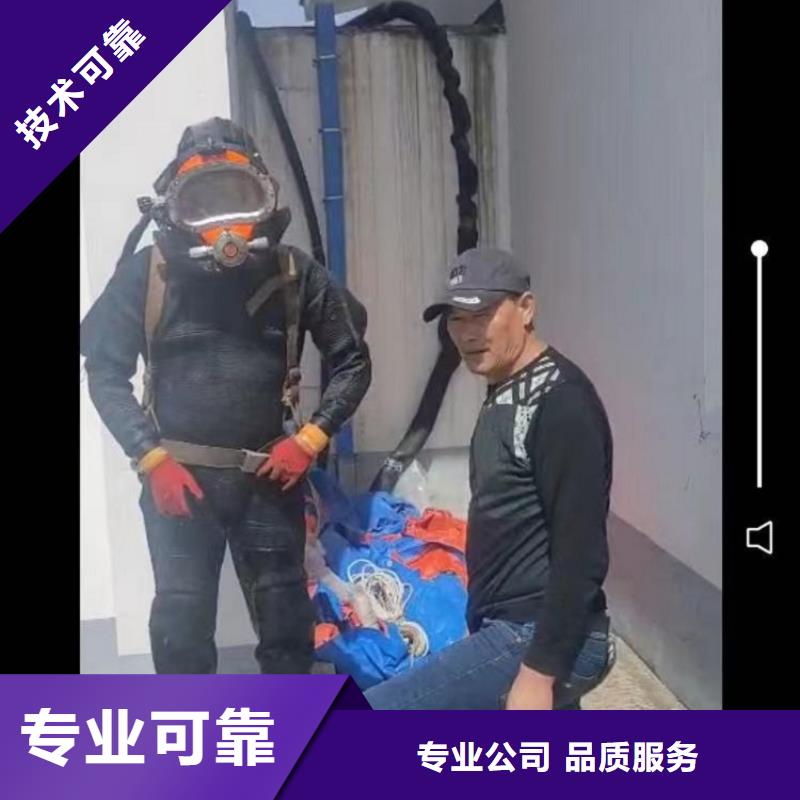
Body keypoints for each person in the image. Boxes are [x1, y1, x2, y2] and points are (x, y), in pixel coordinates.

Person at [81, 117, 371, 675]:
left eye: (238, 198)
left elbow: (353, 360)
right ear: (175, 208)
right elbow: (105, 372)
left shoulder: (295, 272)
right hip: (178, 481)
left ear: (264, 197)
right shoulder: (148, 274)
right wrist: (150, 458)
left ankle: (288, 727)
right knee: (181, 626)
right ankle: (190, 729)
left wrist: (310, 440)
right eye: (204, 202)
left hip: (270, 478)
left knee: (287, 623)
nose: (224, 222)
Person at [365, 247, 613, 709]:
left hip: (536, 636)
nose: (467, 333)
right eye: (456, 319)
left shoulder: (561, 403)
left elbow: (582, 553)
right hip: (510, 626)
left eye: (481, 315)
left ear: (526, 308)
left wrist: (537, 674)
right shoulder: (505, 388)